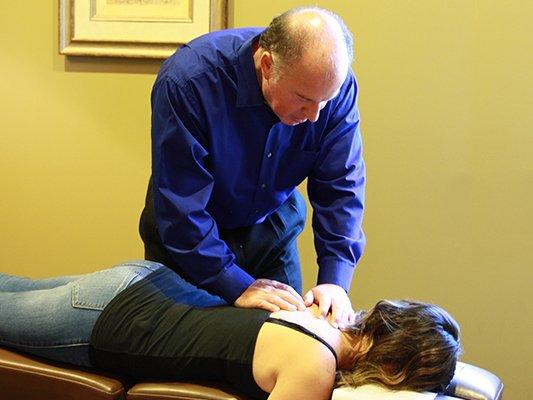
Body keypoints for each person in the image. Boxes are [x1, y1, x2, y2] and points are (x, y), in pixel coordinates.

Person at [139, 6, 366, 328]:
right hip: (188, 240)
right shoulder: (190, 81)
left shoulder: (330, 87)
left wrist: (335, 279)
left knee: (286, 342)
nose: (315, 115)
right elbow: (181, 206)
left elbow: (341, 185)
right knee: (188, 358)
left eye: (325, 101)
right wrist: (232, 283)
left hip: (271, 232)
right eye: (303, 99)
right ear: (267, 65)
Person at [0, 261, 461, 400]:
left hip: (140, 282)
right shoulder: (314, 366)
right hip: (108, 321)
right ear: (395, 368)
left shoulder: (320, 316)